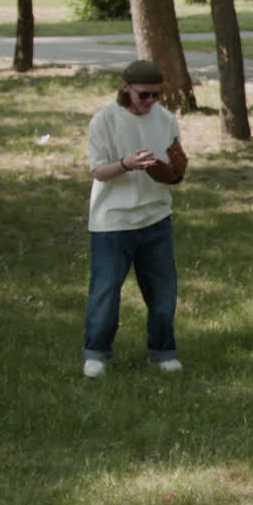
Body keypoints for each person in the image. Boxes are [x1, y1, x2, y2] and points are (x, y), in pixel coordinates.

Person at [81, 60, 185, 378]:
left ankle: (162, 352)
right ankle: (97, 354)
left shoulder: (165, 119)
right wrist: (126, 164)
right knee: (105, 290)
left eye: (157, 95)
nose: (151, 102)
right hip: (112, 221)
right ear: (126, 88)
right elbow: (98, 170)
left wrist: (172, 172)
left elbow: (175, 163)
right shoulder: (104, 120)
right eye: (144, 95)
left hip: (155, 216)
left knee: (163, 292)